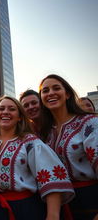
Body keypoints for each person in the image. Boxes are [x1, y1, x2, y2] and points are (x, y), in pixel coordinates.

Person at [0, 96, 74, 220]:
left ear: (20, 117)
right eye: (1, 108)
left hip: (24, 209)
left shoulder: (30, 142)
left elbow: (51, 178)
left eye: (12, 109)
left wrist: (53, 215)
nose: (5, 112)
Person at [39, 74, 98, 220]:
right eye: (45, 90)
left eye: (56, 88)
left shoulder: (89, 123)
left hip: (92, 199)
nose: (50, 93)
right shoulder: (48, 133)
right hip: (62, 204)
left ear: (68, 94)